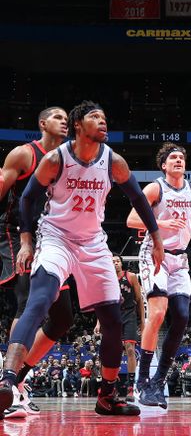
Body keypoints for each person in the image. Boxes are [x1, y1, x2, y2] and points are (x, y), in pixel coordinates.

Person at [0, 100, 164, 416]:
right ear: (79, 125)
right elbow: (28, 199)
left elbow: (138, 199)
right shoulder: (54, 159)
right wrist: (25, 241)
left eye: (105, 117)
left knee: (114, 320)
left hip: (92, 244)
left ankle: (107, 396)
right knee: (40, 301)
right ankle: (8, 380)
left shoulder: (113, 161)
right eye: (95, 117)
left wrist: (156, 238)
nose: (103, 121)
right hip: (56, 239)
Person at [129, 142, 191, 409]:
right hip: (155, 252)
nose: (178, 160)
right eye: (173, 157)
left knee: (181, 316)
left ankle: (159, 381)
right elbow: (132, 219)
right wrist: (160, 223)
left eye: (181, 157)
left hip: (180, 259)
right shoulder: (155, 188)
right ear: (163, 165)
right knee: (158, 313)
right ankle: (142, 382)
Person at [0, 107, 77, 418]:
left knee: (63, 318)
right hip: (19, 234)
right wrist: (23, 241)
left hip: (54, 238)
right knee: (26, 304)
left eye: (66, 118)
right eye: (58, 116)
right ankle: (7, 383)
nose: (64, 121)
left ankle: (17, 379)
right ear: (42, 123)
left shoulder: (69, 158)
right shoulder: (23, 154)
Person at [95, 255, 144, 399]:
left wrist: (142, 321)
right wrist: (98, 322)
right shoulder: (106, 279)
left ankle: (130, 387)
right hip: (113, 314)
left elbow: (139, 299)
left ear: (121, 263)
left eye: (117, 261)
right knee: (112, 352)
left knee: (130, 349)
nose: (115, 263)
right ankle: (111, 386)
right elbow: (102, 302)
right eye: (112, 261)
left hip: (129, 314)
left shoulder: (131, 276)